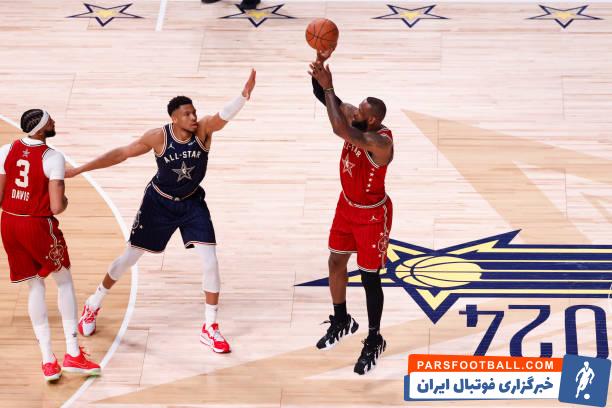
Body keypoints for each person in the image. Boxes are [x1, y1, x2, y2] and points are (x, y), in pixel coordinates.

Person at [66, 69, 256, 354]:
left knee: (210, 261)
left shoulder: (204, 130)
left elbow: (222, 117)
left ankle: (210, 327)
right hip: (159, 203)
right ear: (174, 118)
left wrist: (243, 96)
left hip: (191, 203)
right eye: (187, 114)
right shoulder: (158, 137)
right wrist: (80, 169)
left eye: (194, 112)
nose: (194, 117)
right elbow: (121, 153)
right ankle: (93, 303)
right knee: (128, 259)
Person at [309, 49, 394, 375]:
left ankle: (374, 338)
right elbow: (326, 99)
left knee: (370, 277)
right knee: (335, 261)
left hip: (372, 215)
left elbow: (340, 130)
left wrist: (330, 88)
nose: (353, 111)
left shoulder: (379, 143)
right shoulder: (356, 118)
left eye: (359, 111)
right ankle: (342, 318)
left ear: (371, 120)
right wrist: (320, 72)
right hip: (346, 206)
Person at [0, 109, 101, 381]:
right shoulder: (53, 157)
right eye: (51, 120)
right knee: (64, 281)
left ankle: (48, 360)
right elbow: (56, 207)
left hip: (9, 223)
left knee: (35, 286)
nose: (54, 122)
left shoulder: (6, 150)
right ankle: (73, 353)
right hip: (37, 225)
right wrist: (64, 199)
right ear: (42, 127)